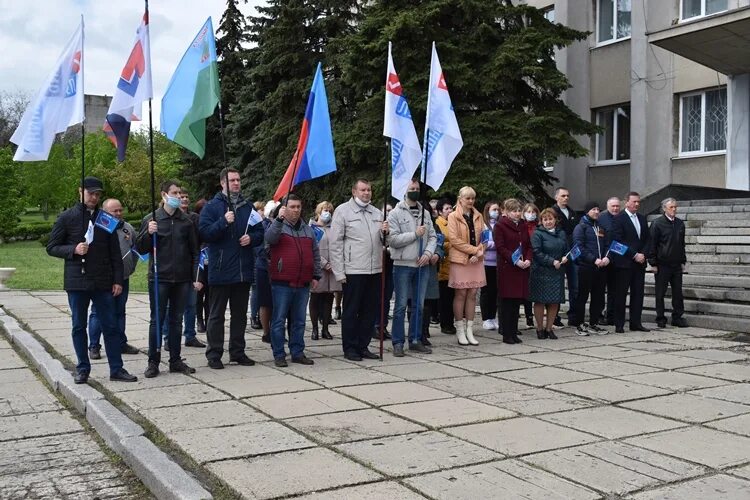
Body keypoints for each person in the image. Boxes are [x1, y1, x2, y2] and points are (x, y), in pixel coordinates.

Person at [46, 176, 136, 384]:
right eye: (91, 193)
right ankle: (83, 368)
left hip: (102, 281)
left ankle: (116, 368)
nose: (94, 197)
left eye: (97, 194)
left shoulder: (106, 219)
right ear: (81, 191)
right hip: (77, 281)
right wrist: (73, 250)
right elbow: (52, 247)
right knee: (79, 325)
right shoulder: (67, 217)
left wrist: (118, 281)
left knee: (111, 325)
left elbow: (115, 252)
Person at [199, 168, 264, 369]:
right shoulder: (212, 207)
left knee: (239, 315)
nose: (236, 183)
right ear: (222, 183)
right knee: (216, 315)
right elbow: (204, 233)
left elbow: (260, 232)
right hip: (220, 270)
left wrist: (251, 238)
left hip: (243, 270)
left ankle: (237, 352)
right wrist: (223, 222)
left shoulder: (247, 207)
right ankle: (214, 354)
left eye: (238, 179)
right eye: (232, 180)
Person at [136, 180, 201, 378]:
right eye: (174, 192)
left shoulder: (187, 221)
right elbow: (140, 248)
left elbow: (194, 251)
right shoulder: (152, 219)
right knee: (157, 319)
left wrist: (194, 276)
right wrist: (149, 233)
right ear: (164, 195)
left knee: (176, 319)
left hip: (181, 279)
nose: (178, 196)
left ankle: (175, 359)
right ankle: (153, 361)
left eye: (180, 193)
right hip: (159, 277)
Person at [329, 179, 388, 361]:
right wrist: (339, 271)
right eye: (363, 190)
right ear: (354, 191)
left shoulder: (376, 212)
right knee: (351, 310)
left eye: (369, 190)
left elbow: (382, 241)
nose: (366, 193)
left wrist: (385, 232)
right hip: (353, 269)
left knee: (369, 311)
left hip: (374, 269)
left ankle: (363, 345)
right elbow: (335, 243)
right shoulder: (343, 211)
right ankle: (350, 347)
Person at [265, 194, 320, 367]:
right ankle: (279, 353)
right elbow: (269, 239)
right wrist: (279, 220)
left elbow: (315, 253)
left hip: (303, 282)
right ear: (284, 208)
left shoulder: (308, 229)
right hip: (282, 282)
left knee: (299, 321)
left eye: (298, 207)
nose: (296, 210)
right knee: (279, 320)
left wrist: (316, 275)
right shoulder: (278, 226)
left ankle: (297, 352)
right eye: (292, 207)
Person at [387, 179, 437, 357]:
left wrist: (428, 254)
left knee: (419, 305)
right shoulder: (394, 214)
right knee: (400, 305)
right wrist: (414, 234)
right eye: (411, 188)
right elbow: (392, 240)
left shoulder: (425, 213)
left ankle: (415, 339)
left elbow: (432, 237)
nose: (415, 191)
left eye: (417, 188)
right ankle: (398, 342)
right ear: (404, 190)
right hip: (403, 264)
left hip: (421, 264)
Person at [87, 198, 140, 359]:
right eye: (114, 211)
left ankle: (120, 342)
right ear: (104, 212)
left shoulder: (127, 228)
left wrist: (131, 267)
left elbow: (136, 249)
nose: (118, 213)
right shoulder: (97, 228)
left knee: (120, 311)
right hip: (103, 279)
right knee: (98, 312)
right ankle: (94, 346)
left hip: (123, 278)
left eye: (120, 210)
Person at [447, 186, 485, 346]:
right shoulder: (453, 216)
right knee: (461, 293)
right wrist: (474, 250)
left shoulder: (478, 215)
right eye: (467, 198)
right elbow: (454, 240)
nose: (470, 201)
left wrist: (479, 251)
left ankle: (470, 328)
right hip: (461, 260)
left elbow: (485, 237)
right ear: (460, 198)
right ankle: (460, 329)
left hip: (476, 260)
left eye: (473, 198)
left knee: (472, 293)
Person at [611, 191, 651, 333]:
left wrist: (644, 254)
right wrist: (634, 255)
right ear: (626, 202)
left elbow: (647, 239)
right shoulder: (619, 218)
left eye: (638, 202)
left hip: (640, 263)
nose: (637, 204)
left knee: (638, 294)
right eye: (634, 202)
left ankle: (636, 323)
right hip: (624, 263)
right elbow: (617, 241)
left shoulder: (641, 218)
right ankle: (619, 324)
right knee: (621, 294)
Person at [494, 198, 532, 345]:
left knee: (516, 302)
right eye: (513, 211)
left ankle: (514, 331)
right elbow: (501, 247)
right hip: (508, 267)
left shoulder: (522, 225)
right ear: (506, 212)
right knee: (507, 302)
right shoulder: (500, 226)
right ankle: (507, 333)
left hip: (522, 267)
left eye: (518, 211)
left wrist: (528, 259)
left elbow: (528, 245)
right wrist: (514, 260)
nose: (517, 214)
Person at [571, 201, 610, 336]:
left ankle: (594, 323)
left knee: (598, 297)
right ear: (587, 211)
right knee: (582, 296)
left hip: (600, 267)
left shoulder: (600, 228)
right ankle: (579, 323)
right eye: (593, 209)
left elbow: (606, 245)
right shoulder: (581, 227)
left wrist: (606, 257)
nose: (597, 212)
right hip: (586, 267)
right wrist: (593, 259)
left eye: (598, 209)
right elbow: (579, 247)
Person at [648, 197, 688, 328]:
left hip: (676, 264)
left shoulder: (680, 224)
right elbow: (652, 244)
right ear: (664, 208)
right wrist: (653, 263)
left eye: (675, 207)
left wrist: (683, 261)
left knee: (678, 293)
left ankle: (677, 317)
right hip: (662, 264)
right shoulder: (657, 223)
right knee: (660, 293)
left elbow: (682, 244)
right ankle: (660, 318)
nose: (674, 209)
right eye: (671, 207)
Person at [528, 208, 566, 340]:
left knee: (554, 301)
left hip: (557, 272)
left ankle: (549, 328)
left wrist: (565, 258)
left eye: (551, 219)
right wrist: (551, 261)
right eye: (545, 219)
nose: (548, 222)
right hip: (541, 272)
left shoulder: (561, 233)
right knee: (540, 301)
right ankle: (539, 328)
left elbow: (566, 249)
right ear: (541, 221)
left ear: (555, 220)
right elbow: (536, 252)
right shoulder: (537, 234)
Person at [309, 201, 339, 340]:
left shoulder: (334, 228)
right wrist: (324, 263)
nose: (327, 212)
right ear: (318, 211)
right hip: (318, 268)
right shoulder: (312, 228)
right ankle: (314, 328)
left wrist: (335, 263)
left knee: (329, 298)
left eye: (329, 210)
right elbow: (311, 249)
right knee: (315, 298)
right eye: (324, 209)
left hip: (333, 269)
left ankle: (325, 328)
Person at [552, 187, 578, 325]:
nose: (566, 198)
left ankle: (573, 316)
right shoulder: (552, 212)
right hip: (558, 254)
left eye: (567, 196)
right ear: (556, 197)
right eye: (563, 196)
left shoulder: (572, 212)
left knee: (574, 285)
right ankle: (554, 317)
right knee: (557, 286)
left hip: (572, 253)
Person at [256, 200, 279, 344]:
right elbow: (259, 248)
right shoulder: (263, 226)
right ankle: (266, 332)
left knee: (279, 303)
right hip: (264, 268)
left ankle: (277, 330)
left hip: (280, 269)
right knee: (265, 302)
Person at [598, 196, 621, 326]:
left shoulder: (622, 218)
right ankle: (599, 314)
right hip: (603, 259)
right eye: (613, 206)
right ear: (607, 206)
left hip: (618, 259)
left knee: (614, 290)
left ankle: (611, 315)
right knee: (600, 290)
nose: (615, 208)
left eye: (617, 206)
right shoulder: (601, 219)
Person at [434, 199, 455, 335]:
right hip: (443, 265)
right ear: (440, 211)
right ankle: (445, 323)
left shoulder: (454, 222)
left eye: (450, 208)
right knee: (445, 298)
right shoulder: (438, 224)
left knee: (452, 296)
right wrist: (453, 244)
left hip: (453, 265)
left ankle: (451, 322)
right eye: (446, 209)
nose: (449, 211)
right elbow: (439, 242)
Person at [480, 201, 501, 331]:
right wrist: (496, 245)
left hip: (497, 263)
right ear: (487, 211)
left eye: (498, 210)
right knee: (486, 291)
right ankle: (486, 318)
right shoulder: (483, 226)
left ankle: (493, 317)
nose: (497, 212)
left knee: (495, 291)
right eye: (494, 209)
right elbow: (484, 244)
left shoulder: (499, 225)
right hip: (486, 263)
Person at [521, 203, 540, 328]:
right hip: (526, 259)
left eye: (533, 212)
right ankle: (529, 317)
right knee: (526, 290)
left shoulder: (539, 226)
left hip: (538, 260)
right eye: (528, 212)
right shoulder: (521, 226)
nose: (531, 214)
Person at [250, 200, 267, 331]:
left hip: (264, 259)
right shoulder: (251, 225)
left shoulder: (266, 224)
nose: (261, 213)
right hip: (255, 260)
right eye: (259, 210)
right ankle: (254, 316)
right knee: (255, 290)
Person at [194, 198, 210, 333]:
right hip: (199, 261)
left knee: (210, 294)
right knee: (199, 293)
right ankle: (199, 320)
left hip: (211, 261)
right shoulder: (195, 223)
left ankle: (209, 319)